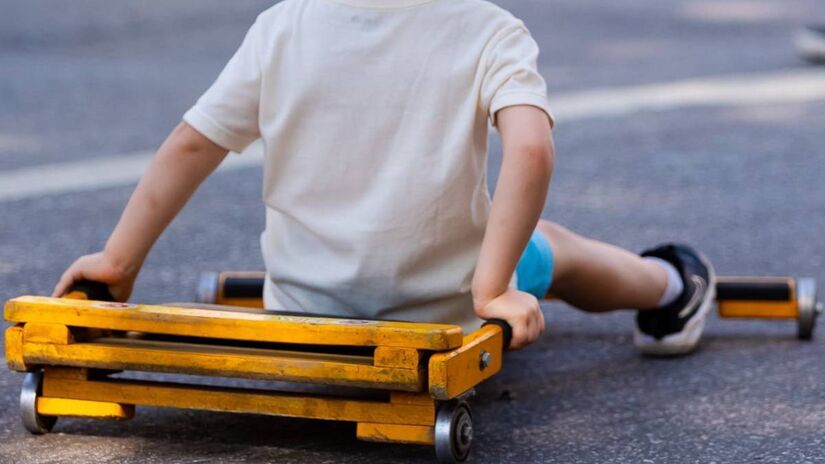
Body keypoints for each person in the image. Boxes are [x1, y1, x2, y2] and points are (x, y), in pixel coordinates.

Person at [53, 0, 715, 356]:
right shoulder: (488, 31)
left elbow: (192, 143)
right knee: (546, 245)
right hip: (446, 313)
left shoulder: (283, 26)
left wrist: (118, 258)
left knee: (513, 234)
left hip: (303, 310)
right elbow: (532, 153)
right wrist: (491, 289)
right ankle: (670, 285)